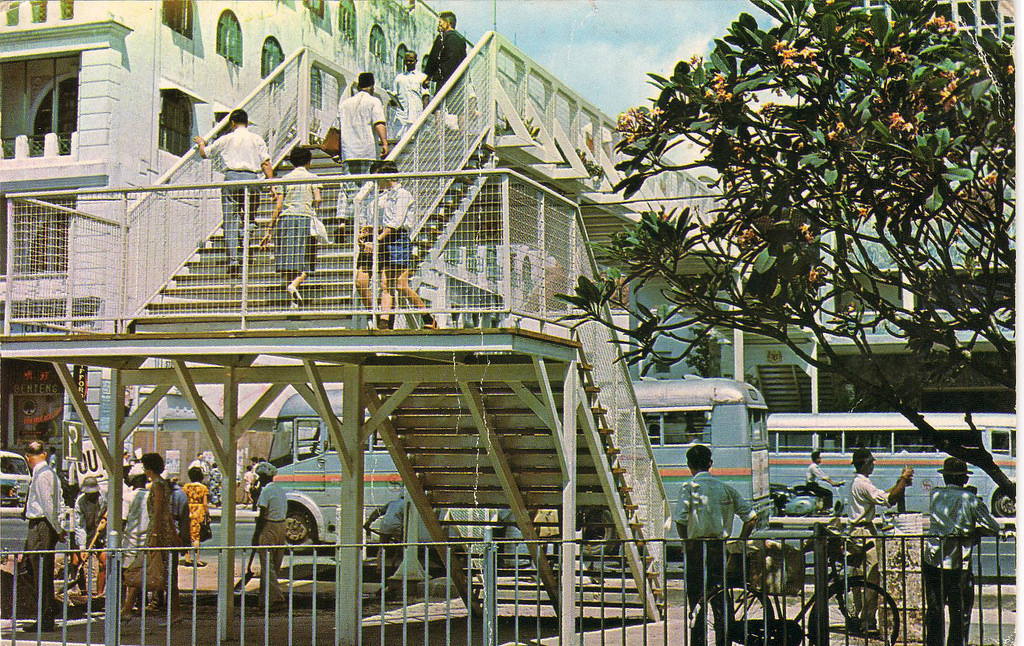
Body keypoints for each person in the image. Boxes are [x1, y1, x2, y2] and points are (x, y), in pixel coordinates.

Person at [673, 445, 757, 646]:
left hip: (696, 551)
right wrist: (740, 541)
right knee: (721, 602)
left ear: (689, 465)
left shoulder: (689, 488)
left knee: (696, 605)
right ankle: (724, 642)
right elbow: (751, 517)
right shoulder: (725, 489)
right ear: (710, 464)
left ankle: (699, 643)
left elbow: (680, 520)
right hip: (720, 550)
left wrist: (687, 543)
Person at [923, 457, 1001, 646]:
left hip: (933, 560)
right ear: (965, 479)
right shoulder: (970, 500)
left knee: (935, 610)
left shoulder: (935, 495)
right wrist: (973, 531)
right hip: (959, 564)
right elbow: (994, 526)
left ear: (945, 478)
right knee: (959, 613)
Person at [194, 109, 275, 276]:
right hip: (251, 179)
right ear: (247, 122)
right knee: (250, 216)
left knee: (230, 220)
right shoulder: (257, 139)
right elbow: (266, 163)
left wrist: (202, 142)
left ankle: (233, 259)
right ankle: (243, 241)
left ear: (232, 123)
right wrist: (271, 184)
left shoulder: (226, 138)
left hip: (231, 178)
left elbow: (205, 154)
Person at [846, 448, 913, 636]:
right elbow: (888, 500)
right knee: (871, 577)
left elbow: (883, 495)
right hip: (863, 531)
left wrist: (900, 483)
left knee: (862, 578)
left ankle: (861, 617)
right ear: (866, 462)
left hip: (859, 531)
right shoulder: (863, 485)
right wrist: (902, 481)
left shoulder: (860, 483)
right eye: (872, 462)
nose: (874, 464)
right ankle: (866, 620)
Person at [371, 160, 437, 330]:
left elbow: (396, 222)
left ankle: (428, 317)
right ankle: (384, 321)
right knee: (385, 284)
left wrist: (377, 239)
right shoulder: (387, 195)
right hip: (386, 238)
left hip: (398, 238)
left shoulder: (402, 194)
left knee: (401, 285)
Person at [122, 453, 182, 622]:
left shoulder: (157, 486)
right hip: (161, 533)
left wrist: (155, 534)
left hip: (157, 534)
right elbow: (167, 513)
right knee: (156, 571)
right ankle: (128, 608)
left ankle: (128, 608)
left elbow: (157, 512)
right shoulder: (162, 485)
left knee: (145, 568)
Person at [261, 146, 322, 308]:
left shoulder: (284, 179)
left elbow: (279, 206)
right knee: (308, 257)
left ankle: (292, 298)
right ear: (309, 161)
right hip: (305, 218)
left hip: (286, 220)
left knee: (288, 259)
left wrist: (269, 230)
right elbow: (317, 198)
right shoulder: (313, 177)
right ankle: (295, 285)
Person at [19, 441, 65, 632]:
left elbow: (48, 505)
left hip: (41, 525)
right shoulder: (45, 474)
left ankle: (46, 616)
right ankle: (45, 610)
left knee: (40, 571)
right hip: (38, 525)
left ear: (28, 458)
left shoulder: (43, 475)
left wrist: (57, 528)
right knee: (28, 568)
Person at [337, 72, 388, 174]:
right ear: (373, 86)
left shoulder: (344, 104)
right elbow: (379, 123)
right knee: (368, 185)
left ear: (358, 86)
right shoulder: (374, 101)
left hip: (348, 153)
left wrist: (339, 151)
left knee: (350, 187)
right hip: (367, 152)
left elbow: (339, 130)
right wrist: (385, 143)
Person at [253, 462, 287, 609]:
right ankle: (265, 601)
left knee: (267, 565)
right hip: (282, 525)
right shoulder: (280, 490)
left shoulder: (266, 491)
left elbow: (262, 515)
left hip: (270, 526)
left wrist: (256, 535)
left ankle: (277, 599)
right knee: (275, 565)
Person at [71, 476, 106, 597]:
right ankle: (83, 592)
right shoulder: (80, 502)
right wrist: (82, 547)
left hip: (101, 533)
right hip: (86, 532)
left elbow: (110, 512)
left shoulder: (104, 498)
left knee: (103, 562)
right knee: (77, 562)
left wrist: (105, 520)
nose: (90, 496)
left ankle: (99, 594)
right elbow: (80, 526)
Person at [422, 11, 467, 91]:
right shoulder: (461, 41)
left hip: (443, 80)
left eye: (440, 22)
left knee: (439, 102)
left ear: (448, 23)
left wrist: (428, 77)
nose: (438, 25)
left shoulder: (442, 38)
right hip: (458, 81)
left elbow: (434, 58)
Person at [393, 51, 430, 140]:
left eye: (411, 60)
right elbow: (395, 95)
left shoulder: (422, 77)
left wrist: (425, 114)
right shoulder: (399, 78)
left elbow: (425, 96)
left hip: (416, 114)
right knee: (400, 140)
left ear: (416, 61)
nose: (409, 63)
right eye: (407, 61)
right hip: (402, 116)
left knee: (417, 141)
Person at [181, 467, 210, 567]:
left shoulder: (186, 487)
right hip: (199, 511)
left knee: (187, 534)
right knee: (196, 536)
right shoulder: (203, 488)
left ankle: (187, 558)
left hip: (188, 510)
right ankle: (196, 559)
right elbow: (205, 504)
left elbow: (183, 499)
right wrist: (207, 513)